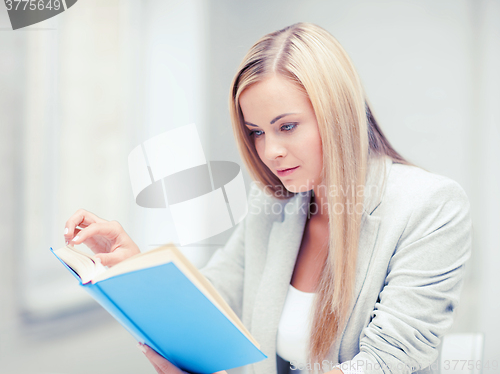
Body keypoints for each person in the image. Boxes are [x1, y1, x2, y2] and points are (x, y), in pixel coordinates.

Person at [63, 22, 472, 374]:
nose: (269, 150)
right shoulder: (275, 208)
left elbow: (385, 362)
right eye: (257, 131)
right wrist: (135, 265)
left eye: (287, 126)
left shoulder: (430, 205)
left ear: (338, 114)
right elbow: (210, 306)